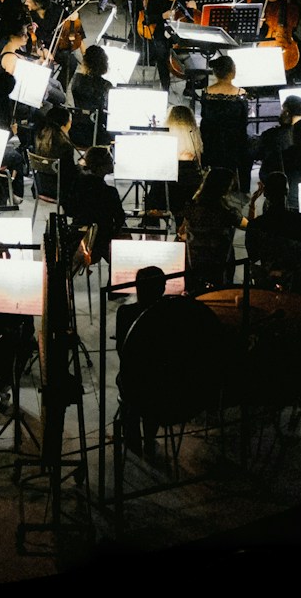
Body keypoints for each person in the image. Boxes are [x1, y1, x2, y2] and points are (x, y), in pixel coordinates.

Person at [242, 170, 301, 296]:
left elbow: (253, 255)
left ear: (266, 193)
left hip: (267, 285)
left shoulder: (256, 225)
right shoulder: (299, 220)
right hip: (297, 284)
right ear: (287, 192)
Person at [115, 265, 167, 455]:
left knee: (127, 383)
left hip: (133, 381)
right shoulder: (169, 314)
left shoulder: (125, 313)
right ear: (163, 288)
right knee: (152, 387)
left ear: (137, 288)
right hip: (163, 383)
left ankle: (132, 440)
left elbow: (122, 350)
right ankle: (150, 438)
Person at [198, 52, 254, 195]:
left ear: (216, 73)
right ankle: (242, 189)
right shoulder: (240, 94)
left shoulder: (206, 92)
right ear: (232, 72)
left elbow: (205, 118)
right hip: (234, 145)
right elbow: (244, 122)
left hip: (212, 144)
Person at [177, 167, 237, 292]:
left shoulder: (192, 208)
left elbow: (181, 231)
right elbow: (248, 225)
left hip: (195, 263)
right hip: (219, 266)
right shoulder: (227, 213)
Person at [65, 146, 127, 264]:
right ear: (102, 166)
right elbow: (119, 219)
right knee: (123, 254)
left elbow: (69, 210)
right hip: (100, 242)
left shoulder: (77, 186)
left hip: (78, 238)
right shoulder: (109, 192)